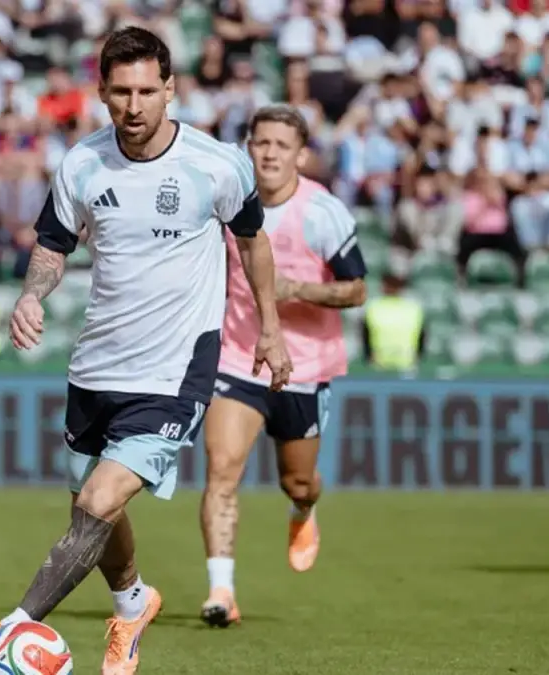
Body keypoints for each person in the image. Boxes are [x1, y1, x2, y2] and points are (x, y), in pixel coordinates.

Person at [0, 26, 292, 675]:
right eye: (120, 93)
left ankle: (12, 629)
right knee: (91, 503)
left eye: (146, 91)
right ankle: (131, 602)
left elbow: (252, 241)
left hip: (175, 368)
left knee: (98, 503)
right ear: (102, 93)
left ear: (170, 89)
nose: (134, 106)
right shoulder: (83, 163)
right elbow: (54, 242)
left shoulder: (216, 163)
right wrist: (32, 295)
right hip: (97, 364)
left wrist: (269, 327)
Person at [199, 104, 367, 627]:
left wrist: (300, 290)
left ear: (301, 154)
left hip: (305, 365)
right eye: (261, 142)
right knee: (222, 471)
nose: (269, 152)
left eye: (281, 145)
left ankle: (303, 510)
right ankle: (221, 592)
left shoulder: (323, 212)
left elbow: (357, 287)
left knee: (297, 482)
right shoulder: (228, 202)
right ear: (249, 147)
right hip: (239, 356)